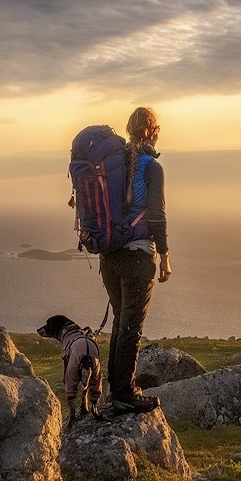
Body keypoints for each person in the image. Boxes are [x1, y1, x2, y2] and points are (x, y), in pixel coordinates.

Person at [100, 106, 171, 415]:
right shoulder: (151, 168)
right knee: (131, 327)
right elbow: (157, 215)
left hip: (109, 257)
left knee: (120, 322)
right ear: (152, 132)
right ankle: (124, 394)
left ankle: (114, 391)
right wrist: (165, 256)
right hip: (137, 258)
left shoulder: (115, 166)